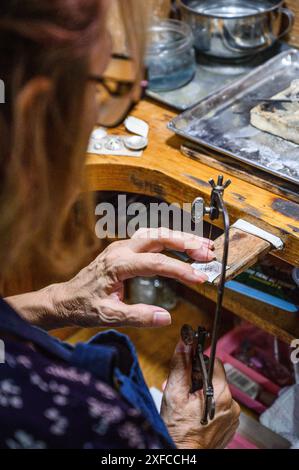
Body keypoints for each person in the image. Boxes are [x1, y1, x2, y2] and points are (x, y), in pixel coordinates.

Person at [0, 0, 240, 449]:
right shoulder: (67, 419)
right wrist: (187, 444)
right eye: (109, 90)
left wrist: (54, 302)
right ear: (36, 112)